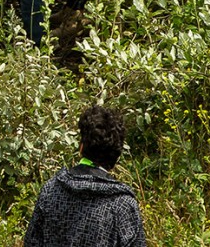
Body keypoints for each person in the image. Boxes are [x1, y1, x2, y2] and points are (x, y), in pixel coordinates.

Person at [24, 105, 147, 246]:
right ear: (116, 156)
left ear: (81, 147)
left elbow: (31, 242)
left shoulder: (51, 190)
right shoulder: (122, 205)